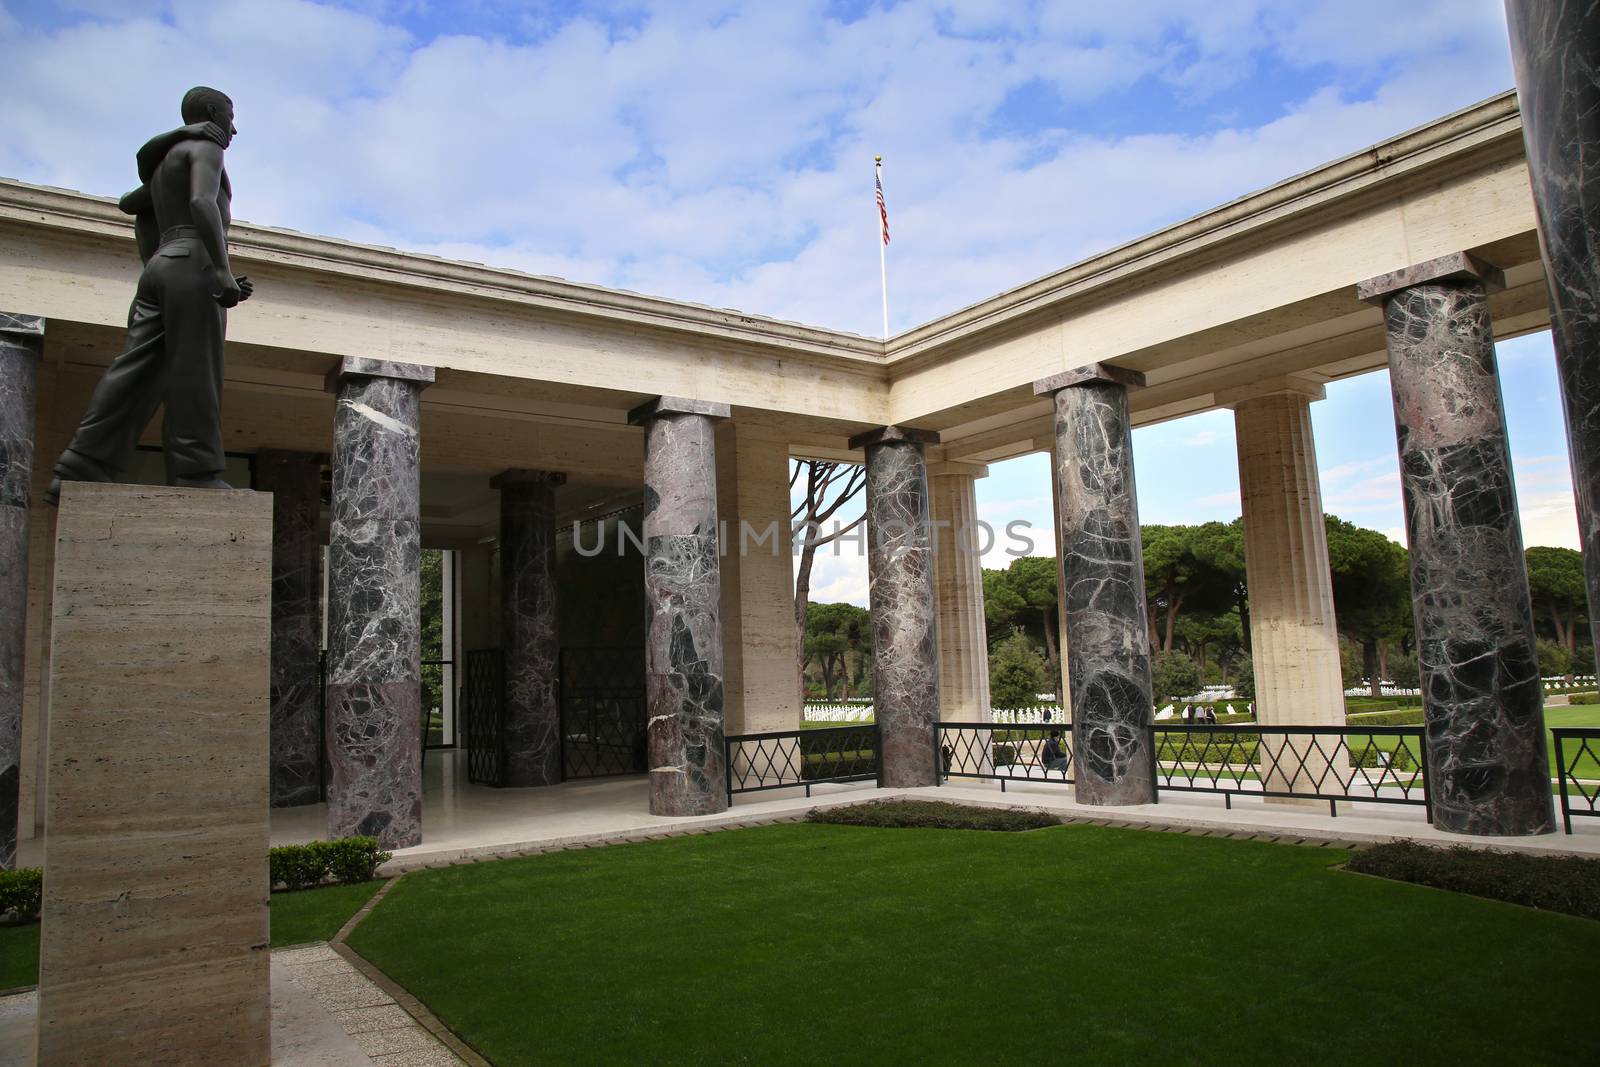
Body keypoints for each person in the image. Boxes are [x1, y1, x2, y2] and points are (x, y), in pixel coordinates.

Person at [45, 86, 251, 505]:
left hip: (161, 264)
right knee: (195, 370)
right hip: (193, 259)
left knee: (135, 367)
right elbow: (201, 201)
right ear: (212, 112)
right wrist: (220, 270)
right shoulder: (206, 146)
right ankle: (195, 471)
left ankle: (81, 461)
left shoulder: (163, 162)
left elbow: (131, 204)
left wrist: (159, 263)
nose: (234, 127)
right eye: (230, 115)